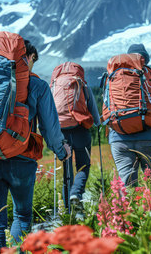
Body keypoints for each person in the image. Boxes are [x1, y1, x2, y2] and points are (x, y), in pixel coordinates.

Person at [0, 39, 71, 252]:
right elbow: (50, 129)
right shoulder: (36, 84)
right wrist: (62, 152)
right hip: (20, 159)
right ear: (30, 57)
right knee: (22, 216)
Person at [106, 43, 151, 187]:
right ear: (145, 60)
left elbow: (106, 110)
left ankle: (131, 209)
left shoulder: (112, 77)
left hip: (119, 139)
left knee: (128, 186)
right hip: (150, 136)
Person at [50, 62, 100, 214]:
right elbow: (93, 109)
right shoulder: (81, 83)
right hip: (80, 129)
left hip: (61, 131)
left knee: (67, 170)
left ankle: (67, 208)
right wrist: (98, 123)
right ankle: (76, 194)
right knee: (83, 165)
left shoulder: (53, 86)